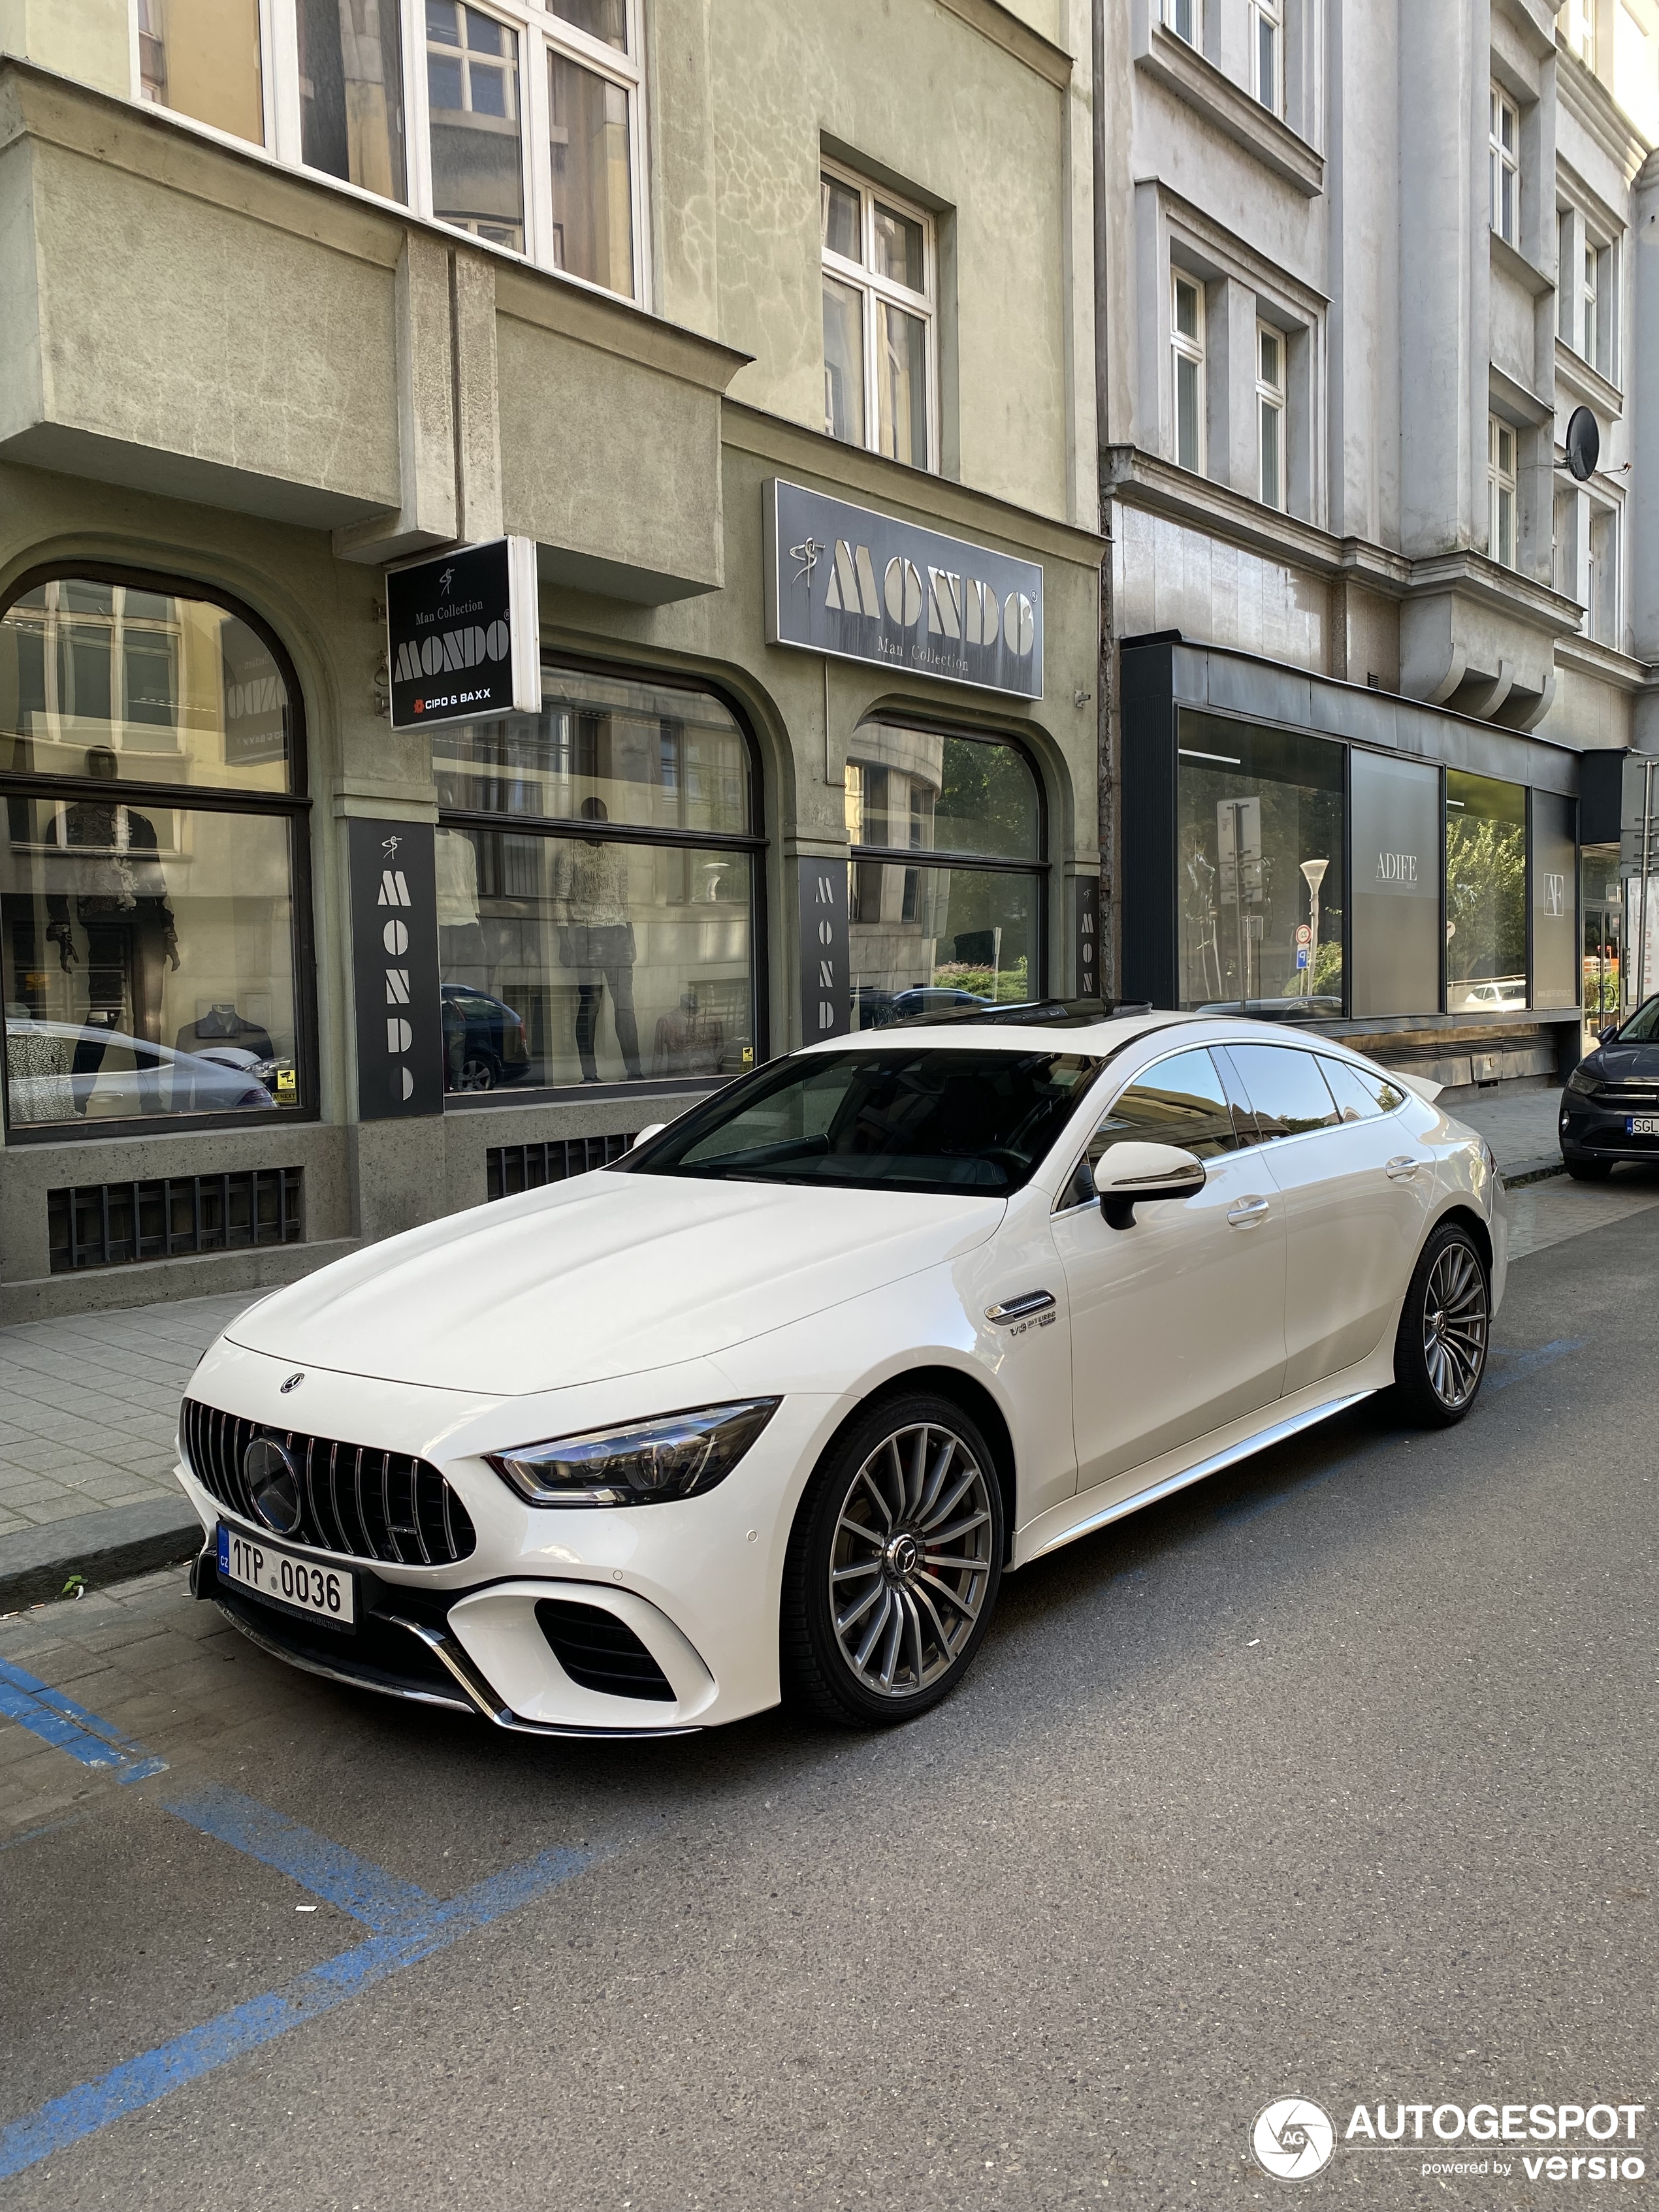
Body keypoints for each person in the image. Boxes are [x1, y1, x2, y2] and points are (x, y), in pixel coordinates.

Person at [44, 747, 180, 1112]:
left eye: (110, 767)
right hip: (102, 925)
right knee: (103, 1012)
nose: (105, 774)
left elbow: (155, 878)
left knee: (150, 1016)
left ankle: (152, 1100)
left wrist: (167, 931)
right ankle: (76, 1099)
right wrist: (62, 929)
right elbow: (53, 880)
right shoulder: (67, 823)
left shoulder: (140, 823)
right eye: (97, 768)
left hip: (146, 924)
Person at [552, 796, 642, 1082]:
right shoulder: (571, 854)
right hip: (586, 934)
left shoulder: (617, 856)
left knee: (625, 1006)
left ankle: (635, 1071)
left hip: (617, 933)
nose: (598, 824)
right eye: (592, 818)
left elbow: (624, 899)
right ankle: (589, 1074)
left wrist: (631, 936)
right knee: (590, 1003)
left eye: (601, 818)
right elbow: (560, 899)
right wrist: (564, 940)